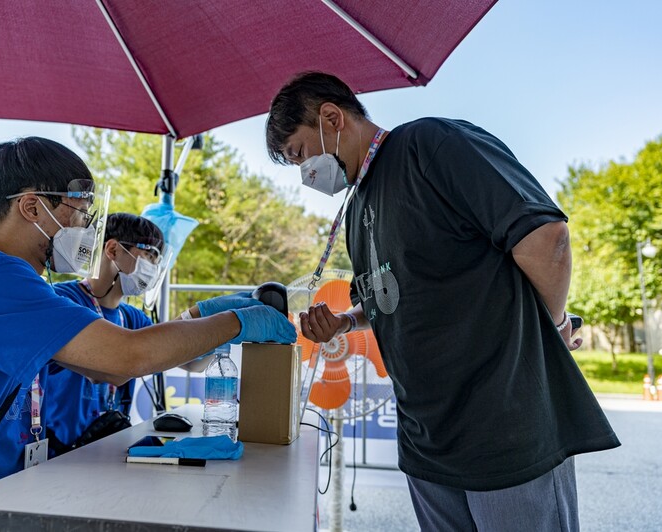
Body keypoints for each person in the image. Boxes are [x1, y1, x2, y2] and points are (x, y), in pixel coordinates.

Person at [265, 72, 619, 531]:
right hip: (426, 444)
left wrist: (551, 330)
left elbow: (546, 238)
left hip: (504, 431)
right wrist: (343, 324)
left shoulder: (430, 146)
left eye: (299, 154)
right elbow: (386, 302)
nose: (304, 172)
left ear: (331, 117)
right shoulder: (356, 209)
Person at [0, 137, 295, 509]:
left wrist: (206, 316)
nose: (85, 230)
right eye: (78, 214)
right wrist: (236, 323)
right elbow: (125, 356)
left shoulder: (16, 284)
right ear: (32, 206)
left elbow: (120, 349)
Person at [45, 212, 165, 454]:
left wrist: (224, 315)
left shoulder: (131, 317)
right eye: (148, 255)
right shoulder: (61, 300)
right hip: (59, 454)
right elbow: (108, 373)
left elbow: (193, 362)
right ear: (112, 250)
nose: (153, 269)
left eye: (156, 260)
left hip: (106, 447)